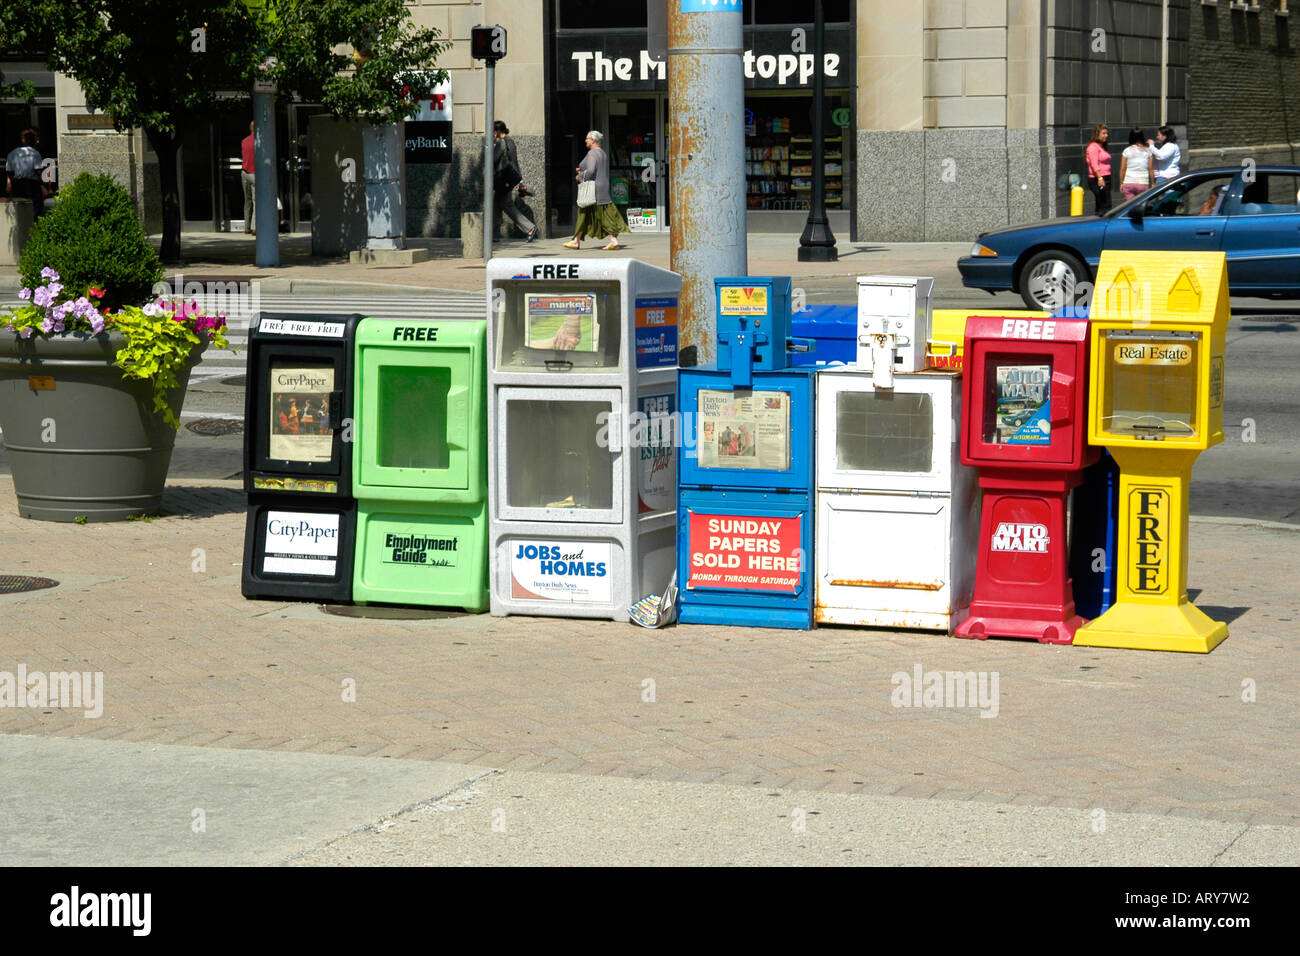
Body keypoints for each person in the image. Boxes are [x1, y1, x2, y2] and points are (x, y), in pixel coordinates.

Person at [565, 130, 627, 251]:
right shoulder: (602, 153)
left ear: (593, 140)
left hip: (594, 188)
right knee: (602, 212)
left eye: (587, 139)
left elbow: (592, 170)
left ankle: (577, 241)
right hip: (602, 186)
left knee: (586, 213)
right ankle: (576, 240)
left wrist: (579, 177)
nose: (586, 140)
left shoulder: (592, 153)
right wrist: (583, 170)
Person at [493, 121, 537, 242]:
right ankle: (493, 234)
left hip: (502, 179)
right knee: (496, 205)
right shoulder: (509, 141)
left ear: (496, 131)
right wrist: (520, 180)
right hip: (507, 179)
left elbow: (493, 159)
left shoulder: (502, 143)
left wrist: (491, 146)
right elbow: (514, 162)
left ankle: (530, 228)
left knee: (506, 205)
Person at [6, 129, 45, 218]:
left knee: (19, 208)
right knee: (35, 208)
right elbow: (38, 171)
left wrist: (9, 184)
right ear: (33, 140)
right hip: (31, 184)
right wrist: (44, 185)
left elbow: (9, 172)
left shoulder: (12, 153)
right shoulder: (34, 153)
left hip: (17, 184)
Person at [1118, 128, 1153, 202]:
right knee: (1141, 206)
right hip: (1143, 182)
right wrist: (1152, 183)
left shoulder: (1126, 151)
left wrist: (1121, 183)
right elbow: (1151, 169)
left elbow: (1122, 169)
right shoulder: (1148, 151)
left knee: (1130, 207)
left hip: (1128, 182)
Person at [1085, 124, 1112, 215]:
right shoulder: (1093, 147)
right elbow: (1094, 164)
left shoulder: (1102, 146)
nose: (1106, 135)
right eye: (1103, 133)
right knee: (1104, 205)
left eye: (1107, 133)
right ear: (1097, 134)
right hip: (1098, 178)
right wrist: (1100, 178)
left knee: (1104, 204)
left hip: (1106, 177)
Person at [240, 121, 255, 234]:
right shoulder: (260, 142)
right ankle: (255, 227)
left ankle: (247, 226)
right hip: (254, 174)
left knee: (247, 201)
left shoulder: (244, 141)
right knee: (256, 201)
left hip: (244, 173)